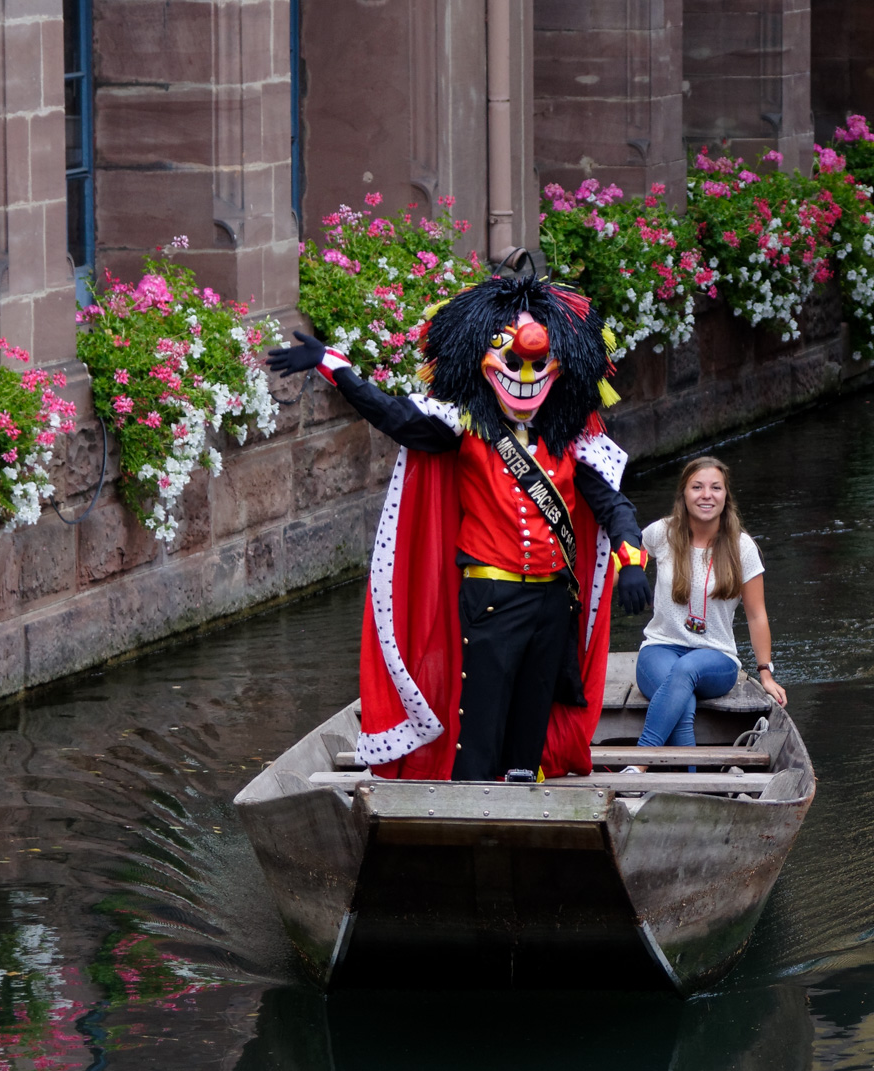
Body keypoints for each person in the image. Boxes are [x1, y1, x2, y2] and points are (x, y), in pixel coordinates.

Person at [265, 262, 652, 781]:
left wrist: (631, 559)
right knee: (483, 711)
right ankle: (470, 799)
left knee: (533, 714)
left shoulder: (570, 445)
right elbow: (394, 415)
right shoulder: (466, 432)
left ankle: (524, 793)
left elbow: (614, 508)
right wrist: (334, 365)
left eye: (540, 362)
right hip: (490, 598)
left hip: (552, 601)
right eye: (513, 358)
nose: (525, 372)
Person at [631, 456, 787, 753]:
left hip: (717, 657)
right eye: (697, 487)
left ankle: (640, 759)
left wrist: (765, 672)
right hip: (660, 649)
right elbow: (624, 564)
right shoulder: (661, 533)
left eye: (716, 487)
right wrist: (622, 573)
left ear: (726, 496)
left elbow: (756, 616)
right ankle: (692, 787)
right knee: (682, 701)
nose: (706, 495)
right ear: (684, 494)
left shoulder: (743, 548)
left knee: (686, 668)